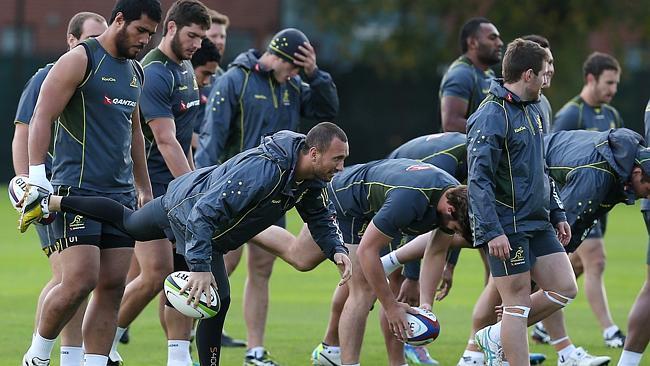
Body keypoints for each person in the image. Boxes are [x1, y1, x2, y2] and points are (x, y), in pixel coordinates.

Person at [19, 124, 352, 366]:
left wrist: (335, 248)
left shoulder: (307, 180)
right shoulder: (264, 172)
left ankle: (185, 358)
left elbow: (320, 217)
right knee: (137, 230)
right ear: (313, 152)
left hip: (205, 227)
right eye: (337, 160)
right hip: (182, 210)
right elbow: (203, 215)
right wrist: (201, 269)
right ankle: (53, 203)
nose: (340, 168)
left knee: (212, 298)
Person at [19, 1, 162, 365]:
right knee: (80, 279)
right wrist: (36, 178)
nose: (145, 40)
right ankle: (36, 355)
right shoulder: (80, 58)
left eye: (151, 33)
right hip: (73, 192)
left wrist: (143, 188)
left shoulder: (135, 71)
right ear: (119, 20)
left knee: (113, 286)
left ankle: (94, 361)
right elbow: (41, 117)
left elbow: (134, 136)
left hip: (121, 197)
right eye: (140, 30)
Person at [195, 26, 339, 365]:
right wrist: (203, 184)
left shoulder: (293, 84)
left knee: (262, 270)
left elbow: (326, 113)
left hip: (275, 193)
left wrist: (315, 74)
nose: (294, 74)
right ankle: (186, 337)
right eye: (292, 66)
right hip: (234, 193)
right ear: (276, 55)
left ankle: (254, 350)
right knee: (219, 266)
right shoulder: (235, 80)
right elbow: (212, 138)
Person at [105, 2, 211, 365]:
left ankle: (178, 358)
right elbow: (165, 140)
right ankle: (106, 341)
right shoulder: (153, 72)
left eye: (202, 37)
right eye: (192, 35)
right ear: (171, 28)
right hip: (151, 189)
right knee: (156, 275)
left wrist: (196, 180)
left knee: (183, 273)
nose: (198, 43)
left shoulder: (185, 69)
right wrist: (193, 191)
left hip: (180, 187)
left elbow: (186, 138)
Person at [311, 131, 467, 366]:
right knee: (362, 290)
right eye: (455, 228)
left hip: (368, 202)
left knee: (298, 256)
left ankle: (251, 229)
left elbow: (435, 252)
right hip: (347, 200)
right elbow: (367, 251)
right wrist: (391, 307)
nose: (453, 232)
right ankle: (346, 361)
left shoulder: (453, 196)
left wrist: (426, 305)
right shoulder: (412, 200)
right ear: (449, 211)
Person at [468, 39, 577, 366]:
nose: (548, 79)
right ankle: (507, 342)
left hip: (539, 222)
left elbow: (541, 169)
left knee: (564, 288)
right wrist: (492, 231)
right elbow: (478, 180)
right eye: (544, 73)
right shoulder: (491, 115)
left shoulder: (533, 110)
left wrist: (557, 212)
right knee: (516, 304)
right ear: (528, 74)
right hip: (507, 227)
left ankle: (494, 334)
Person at [11, 12, 108, 366]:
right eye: (89, 38)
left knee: (81, 279)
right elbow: (23, 132)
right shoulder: (46, 76)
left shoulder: (104, 74)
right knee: (69, 278)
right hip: (50, 188)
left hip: (87, 189)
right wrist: (26, 185)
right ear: (71, 40)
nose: (96, 45)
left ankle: (70, 355)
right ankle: (42, 354)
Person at [552, 52, 626, 348]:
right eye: (609, 82)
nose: (613, 89)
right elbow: (550, 156)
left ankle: (544, 325)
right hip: (575, 200)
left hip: (600, 204)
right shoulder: (571, 114)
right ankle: (610, 331)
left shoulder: (612, 115)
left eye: (616, 83)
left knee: (577, 266)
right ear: (590, 79)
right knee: (596, 260)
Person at [439, 17, 503, 133]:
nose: (499, 43)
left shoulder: (489, 74)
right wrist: (498, 133)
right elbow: (451, 124)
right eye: (493, 38)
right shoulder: (461, 74)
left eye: (498, 38)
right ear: (472, 43)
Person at [191, 9, 229, 152]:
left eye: (223, 36)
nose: (219, 41)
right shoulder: (186, 72)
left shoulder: (224, 77)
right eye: (214, 36)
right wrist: (205, 147)